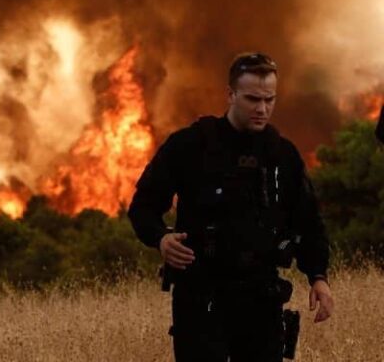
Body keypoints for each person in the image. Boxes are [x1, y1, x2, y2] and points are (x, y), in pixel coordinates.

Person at [128, 52, 334, 362]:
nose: (262, 109)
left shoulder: (282, 154)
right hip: (202, 296)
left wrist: (318, 276)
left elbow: (308, 221)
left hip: (261, 296)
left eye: (269, 100)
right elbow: (142, 206)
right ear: (230, 95)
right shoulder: (190, 145)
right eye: (252, 99)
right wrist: (161, 237)